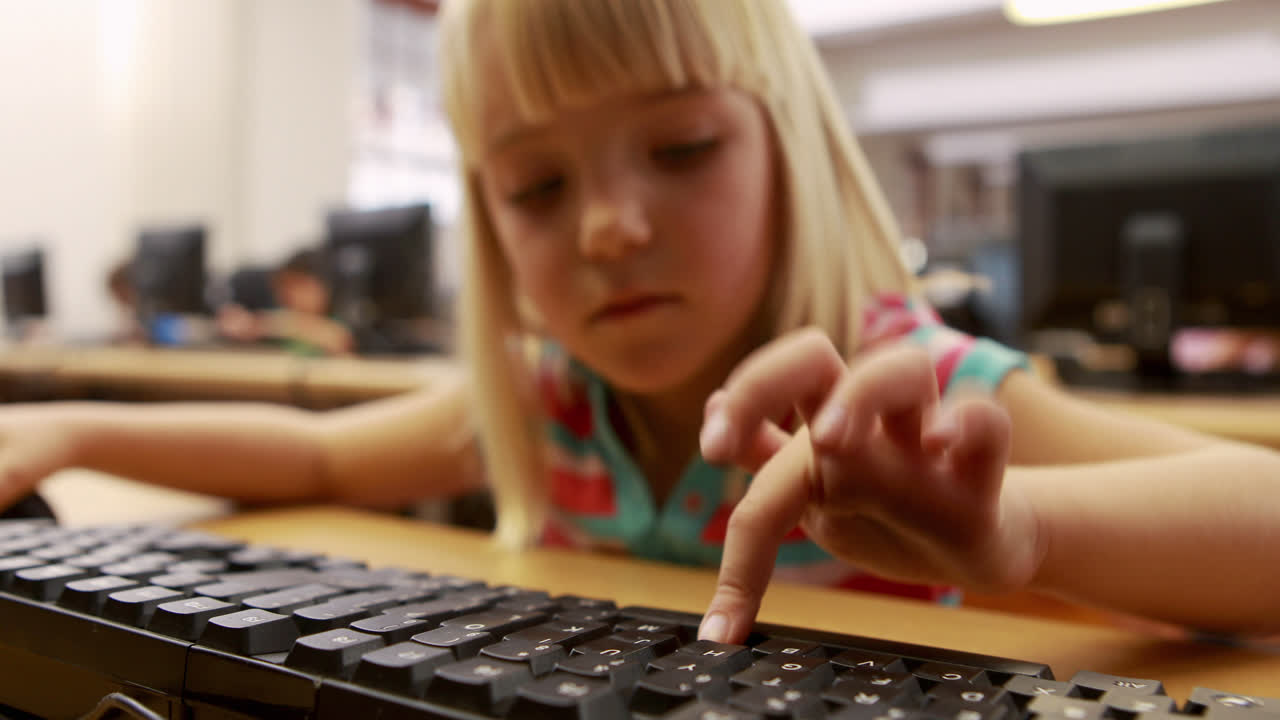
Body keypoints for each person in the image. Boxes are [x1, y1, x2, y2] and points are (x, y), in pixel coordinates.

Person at [2, 0, 1280, 647]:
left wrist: (1019, 532)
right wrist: (63, 429)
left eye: (677, 146)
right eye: (538, 186)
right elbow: (324, 458)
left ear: (787, 147)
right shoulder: (551, 395)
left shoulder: (924, 391)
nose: (609, 227)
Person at [215, 248, 356, 356]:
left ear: (323, 287)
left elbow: (337, 339)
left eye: (299, 286)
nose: (289, 295)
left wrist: (262, 325)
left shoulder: (337, 322)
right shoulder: (280, 317)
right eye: (285, 288)